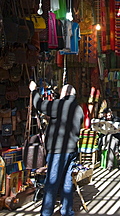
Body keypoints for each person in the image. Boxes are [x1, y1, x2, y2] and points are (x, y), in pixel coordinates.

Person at [29, 81, 84, 216]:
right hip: (72, 150)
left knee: (52, 182)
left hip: (59, 151)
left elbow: (40, 105)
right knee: (66, 182)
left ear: (64, 93)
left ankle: (46, 213)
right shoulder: (78, 108)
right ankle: (67, 211)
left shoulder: (60, 105)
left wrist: (34, 91)